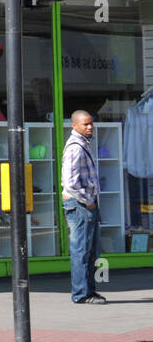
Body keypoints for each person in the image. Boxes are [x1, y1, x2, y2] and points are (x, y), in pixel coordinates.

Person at [60, 110, 105, 305]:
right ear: (74, 125)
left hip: (85, 203)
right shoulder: (75, 148)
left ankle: (89, 291)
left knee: (91, 250)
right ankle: (81, 294)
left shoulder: (83, 144)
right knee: (81, 250)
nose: (90, 127)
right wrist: (88, 201)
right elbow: (70, 183)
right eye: (85, 124)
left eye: (91, 123)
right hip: (80, 204)